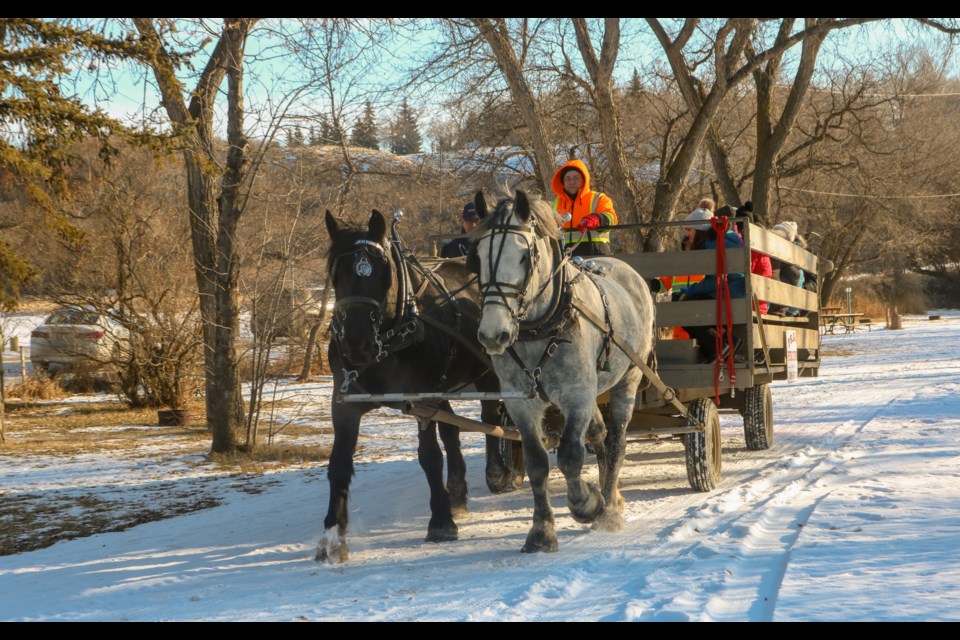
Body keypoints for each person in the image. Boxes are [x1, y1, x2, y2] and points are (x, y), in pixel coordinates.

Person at [672, 207, 746, 362]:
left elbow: (717, 280)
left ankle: (718, 347)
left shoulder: (712, 246)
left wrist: (690, 290)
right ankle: (721, 344)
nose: (687, 234)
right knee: (689, 304)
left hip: (730, 291)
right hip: (733, 289)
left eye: (688, 229)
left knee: (684, 309)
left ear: (699, 230)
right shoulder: (717, 241)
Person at [551, 158, 617, 256]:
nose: (571, 182)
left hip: (596, 254)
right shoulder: (554, 204)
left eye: (576, 178)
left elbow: (612, 218)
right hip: (564, 258)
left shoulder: (598, 198)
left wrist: (596, 219)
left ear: (584, 180)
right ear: (563, 182)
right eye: (567, 179)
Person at [768, 221, 807, 316]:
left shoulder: (781, 253)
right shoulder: (783, 254)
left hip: (783, 304)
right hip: (784, 304)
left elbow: (796, 276)